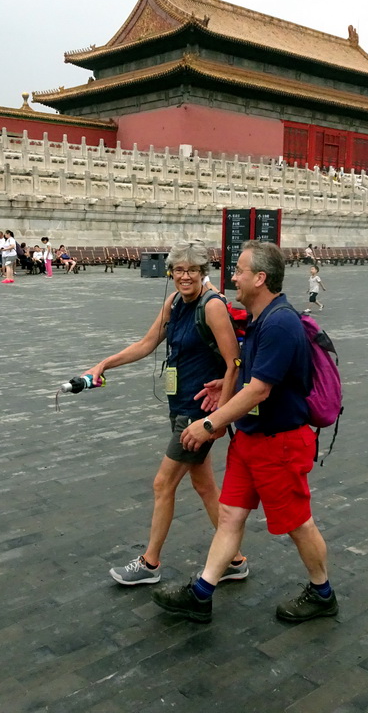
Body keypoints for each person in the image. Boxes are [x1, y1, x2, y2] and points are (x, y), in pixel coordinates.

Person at [151, 240, 337, 624]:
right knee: (231, 515)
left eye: (239, 270)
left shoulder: (280, 322)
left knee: (298, 524)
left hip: (280, 442)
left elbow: (260, 389)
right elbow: (251, 378)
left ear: (260, 278)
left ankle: (323, 593)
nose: (232, 276)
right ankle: (202, 593)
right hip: (251, 438)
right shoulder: (259, 319)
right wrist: (225, 385)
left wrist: (209, 423)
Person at [82, 241, 244, 587]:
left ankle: (150, 561)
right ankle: (234, 559)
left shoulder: (211, 306)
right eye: (179, 270)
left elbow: (234, 363)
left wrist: (220, 418)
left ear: (203, 272)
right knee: (203, 486)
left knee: (162, 483)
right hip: (180, 406)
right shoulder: (173, 302)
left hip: (197, 414)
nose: (184, 276)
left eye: (192, 270)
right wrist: (105, 364)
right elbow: (147, 343)